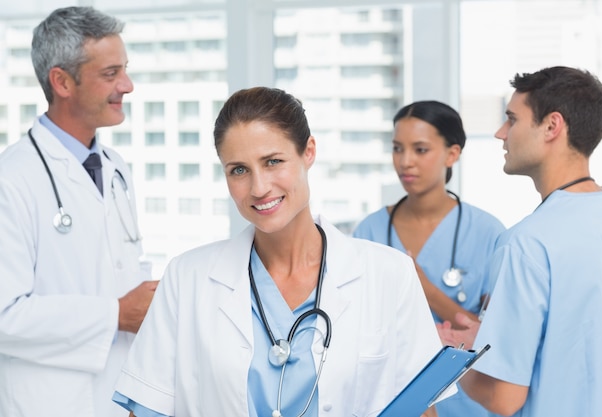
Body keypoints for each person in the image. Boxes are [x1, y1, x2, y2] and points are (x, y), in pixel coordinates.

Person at [112, 86, 447, 417]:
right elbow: (147, 409)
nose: (259, 188)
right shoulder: (187, 278)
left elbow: (420, 410)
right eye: (239, 170)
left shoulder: (389, 274)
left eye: (273, 162)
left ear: (308, 152)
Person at [438, 66, 602, 417]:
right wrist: (496, 332)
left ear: (552, 126)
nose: (500, 133)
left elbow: (503, 399)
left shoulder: (526, 244)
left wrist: (455, 354)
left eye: (511, 120)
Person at [0, 7, 157, 417]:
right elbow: (4, 315)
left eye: (124, 69)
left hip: (119, 397)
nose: (127, 85)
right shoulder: (11, 179)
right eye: (110, 74)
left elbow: (120, 267)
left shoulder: (117, 168)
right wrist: (116, 314)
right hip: (49, 404)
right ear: (62, 82)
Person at [352, 100, 505, 417]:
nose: (405, 162)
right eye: (397, 149)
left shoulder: (488, 232)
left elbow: (494, 336)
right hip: (389, 399)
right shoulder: (369, 231)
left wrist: (425, 289)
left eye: (420, 150)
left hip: (465, 403)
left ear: (453, 154)